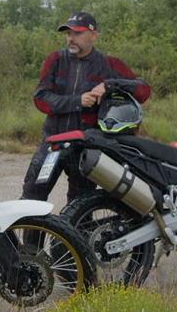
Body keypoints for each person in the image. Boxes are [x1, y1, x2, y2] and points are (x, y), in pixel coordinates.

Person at [21, 11, 150, 200]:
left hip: (85, 146)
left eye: (77, 33)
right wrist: (77, 101)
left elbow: (143, 91)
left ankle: (70, 230)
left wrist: (109, 84)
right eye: (68, 34)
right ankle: (30, 230)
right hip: (53, 143)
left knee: (81, 205)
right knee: (31, 198)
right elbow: (40, 98)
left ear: (93, 35)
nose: (71, 38)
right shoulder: (55, 60)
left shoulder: (108, 64)